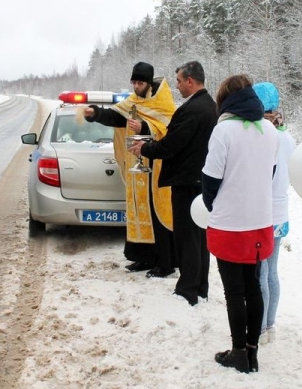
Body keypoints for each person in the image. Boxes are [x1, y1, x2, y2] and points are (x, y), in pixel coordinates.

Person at [202, 74, 279, 373]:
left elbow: (210, 180)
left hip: (229, 223)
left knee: (234, 291)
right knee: (253, 288)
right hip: (260, 221)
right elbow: (268, 175)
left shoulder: (223, 132)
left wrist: (214, 204)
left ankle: (237, 352)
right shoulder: (269, 131)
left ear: (225, 100)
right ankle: (252, 351)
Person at [128, 61, 218, 303]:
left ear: (190, 80)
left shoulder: (192, 110)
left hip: (186, 181)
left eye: (178, 81)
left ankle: (187, 290)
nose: (176, 86)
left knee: (187, 237)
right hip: (201, 180)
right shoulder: (210, 105)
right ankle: (200, 286)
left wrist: (145, 148)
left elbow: (171, 144)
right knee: (200, 238)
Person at [84, 61, 177, 275]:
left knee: (156, 212)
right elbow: (117, 116)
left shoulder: (162, 101)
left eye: (140, 82)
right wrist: (96, 113)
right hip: (137, 162)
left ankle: (165, 263)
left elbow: (168, 128)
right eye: (133, 82)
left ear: (148, 83)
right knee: (137, 208)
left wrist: (144, 126)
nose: (136, 86)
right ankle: (143, 257)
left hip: (156, 166)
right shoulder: (132, 102)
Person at [252, 82, 296, 345]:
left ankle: (259, 326)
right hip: (281, 212)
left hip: (263, 212)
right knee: (272, 270)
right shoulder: (287, 137)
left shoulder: (262, 136)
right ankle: (271, 325)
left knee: (260, 272)